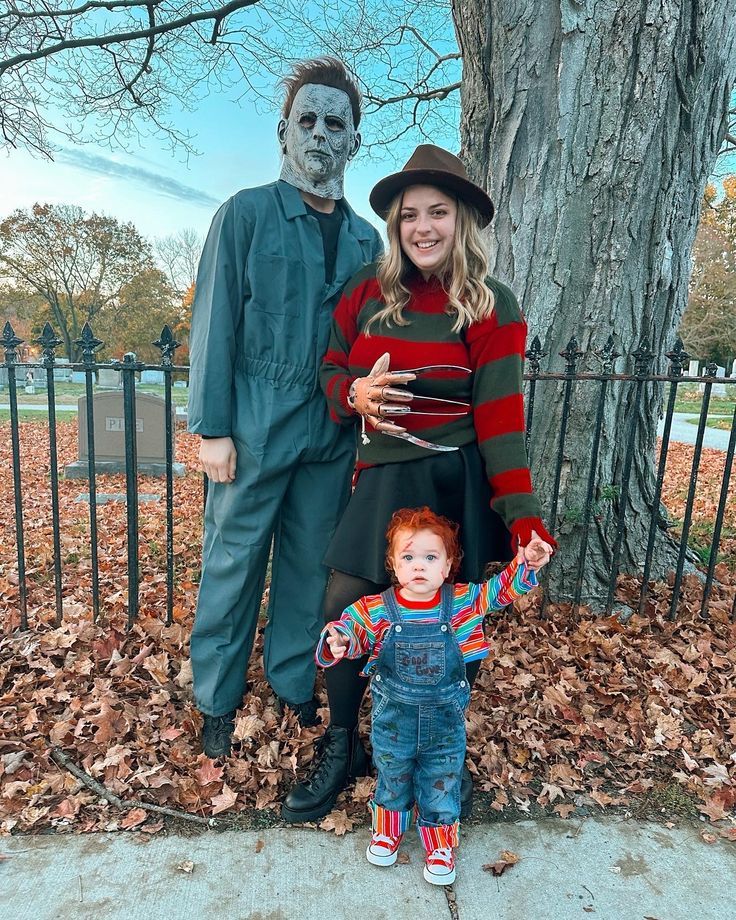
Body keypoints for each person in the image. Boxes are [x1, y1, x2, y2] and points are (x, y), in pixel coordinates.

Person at [282, 144, 555, 821]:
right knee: (342, 610)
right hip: (381, 477)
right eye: (410, 215)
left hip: (454, 480)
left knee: (451, 623)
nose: (423, 227)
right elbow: (329, 372)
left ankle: (438, 750)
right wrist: (356, 395)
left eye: (438, 212)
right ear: (395, 226)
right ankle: (346, 744)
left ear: (461, 221)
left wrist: (522, 517)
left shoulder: (492, 306)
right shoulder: (365, 294)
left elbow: (500, 422)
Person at [187, 58, 383, 758]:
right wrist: (211, 427)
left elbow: (372, 344)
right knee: (234, 562)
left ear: (355, 139)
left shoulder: (369, 243)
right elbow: (214, 325)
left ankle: (294, 681)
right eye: (308, 119)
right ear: (282, 130)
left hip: (330, 432)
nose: (320, 134)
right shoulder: (243, 216)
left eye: (336, 122)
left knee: (307, 565)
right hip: (253, 421)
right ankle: (215, 696)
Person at [317, 507, 551, 885]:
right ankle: (388, 829)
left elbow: (499, 591)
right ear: (393, 564)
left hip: (445, 722)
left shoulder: (461, 603)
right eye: (408, 557)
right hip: (394, 720)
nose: (419, 566)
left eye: (430, 557)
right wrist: (341, 640)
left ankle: (439, 843)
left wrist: (525, 564)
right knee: (392, 774)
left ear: (447, 566)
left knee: (442, 777)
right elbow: (352, 629)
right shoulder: (377, 608)